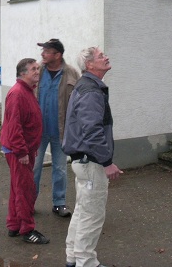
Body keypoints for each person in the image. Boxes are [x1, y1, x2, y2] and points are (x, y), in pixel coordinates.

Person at [62, 47, 123, 267]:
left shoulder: (88, 86)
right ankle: (86, 262)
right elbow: (92, 130)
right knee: (92, 215)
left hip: (83, 161)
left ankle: (73, 257)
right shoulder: (91, 90)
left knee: (82, 210)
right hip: (91, 163)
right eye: (100, 56)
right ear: (89, 65)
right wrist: (107, 162)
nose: (106, 57)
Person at [0, 58, 50, 244]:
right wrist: (21, 152)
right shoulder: (18, 93)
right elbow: (14, 126)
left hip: (24, 150)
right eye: (33, 69)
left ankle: (13, 225)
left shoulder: (28, 91)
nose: (37, 71)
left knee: (17, 188)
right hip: (18, 152)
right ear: (22, 73)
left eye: (38, 68)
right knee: (25, 190)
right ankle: (27, 230)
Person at [33, 39, 80, 217]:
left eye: (46, 51)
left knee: (60, 168)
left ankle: (59, 203)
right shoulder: (37, 70)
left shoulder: (72, 73)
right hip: (38, 132)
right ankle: (29, 203)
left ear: (57, 55)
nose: (42, 54)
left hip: (62, 131)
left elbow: (79, 102)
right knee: (34, 168)